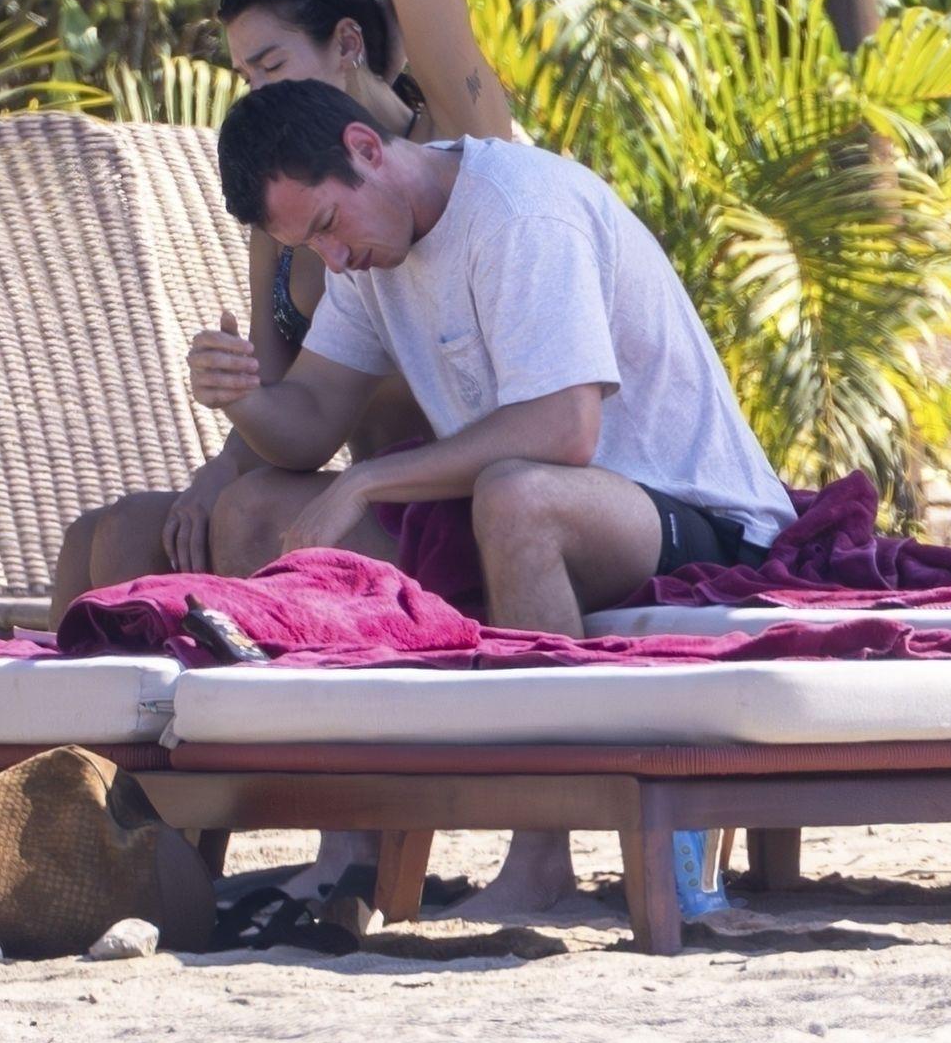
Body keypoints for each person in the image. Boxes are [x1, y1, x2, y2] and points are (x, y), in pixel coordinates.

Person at [194, 79, 798, 914]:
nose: (333, 258)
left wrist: (370, 478)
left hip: (693, 516)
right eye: (310, 244)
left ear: (366, 150)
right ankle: (351, 855)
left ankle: (542, 858)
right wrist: (242, 397)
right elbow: (307, 424)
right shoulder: (366, 256)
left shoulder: (520, 212)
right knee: (254, 511)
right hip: (508, 506)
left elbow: (564, 428)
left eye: (328, 224)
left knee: (520, 498)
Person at [52, 0, 514, 616]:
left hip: (460, 492)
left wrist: (387, 14)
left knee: (251, 511)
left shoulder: (449, 147)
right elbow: (281, 391)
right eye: (247, 76)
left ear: (348, 42)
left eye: (271, 65)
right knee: (111, 535)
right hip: (347, 484)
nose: (261, 93)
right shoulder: (283, 203)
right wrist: (226, 442)